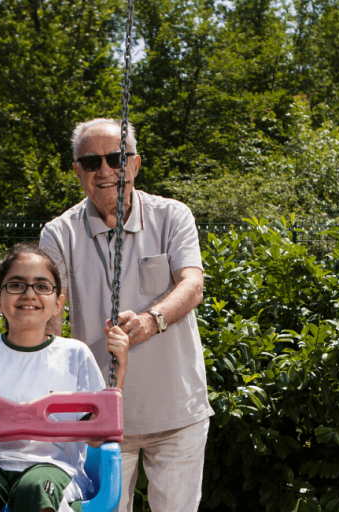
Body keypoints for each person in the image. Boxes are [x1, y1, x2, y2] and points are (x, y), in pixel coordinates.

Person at [39, 118, 214, 512]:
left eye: (117, 158)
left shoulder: (173, 215)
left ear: (135, 163)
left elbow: (193, 285)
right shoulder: (58, 233)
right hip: (100, 418)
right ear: (77, 171)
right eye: (91, 162)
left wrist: (151, 321)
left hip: (177, 411)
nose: (105, 171)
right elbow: (51, 314)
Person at [0, 243, 129, 512]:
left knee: (37, 487)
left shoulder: (74, 354)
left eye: (42, 286)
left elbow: (97, 437)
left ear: (58, 303)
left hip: (53, 466)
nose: (29, 294)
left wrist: (119, 369)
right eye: (17, 285)